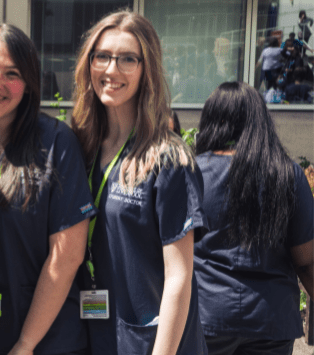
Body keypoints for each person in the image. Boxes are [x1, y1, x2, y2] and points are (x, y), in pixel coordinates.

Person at [0, 23, 96, 355]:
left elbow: (66, 257)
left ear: (28, 84)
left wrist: (26, 344)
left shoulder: (56, 143)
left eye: (12, 73)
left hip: (47, 340)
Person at [71, 10, 208, 354]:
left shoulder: (168, 158)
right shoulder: (81, 149)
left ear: (147, 69)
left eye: (127, 59)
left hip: (153, 343)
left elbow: (179, 277)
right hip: (97, 333)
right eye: (102, 56)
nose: (111, 69)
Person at [194, 81, 313, 355]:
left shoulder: (193, 172)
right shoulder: (288, 174)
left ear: (213, 120)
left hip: (208, 314)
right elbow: (306, 261)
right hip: (271, 318)